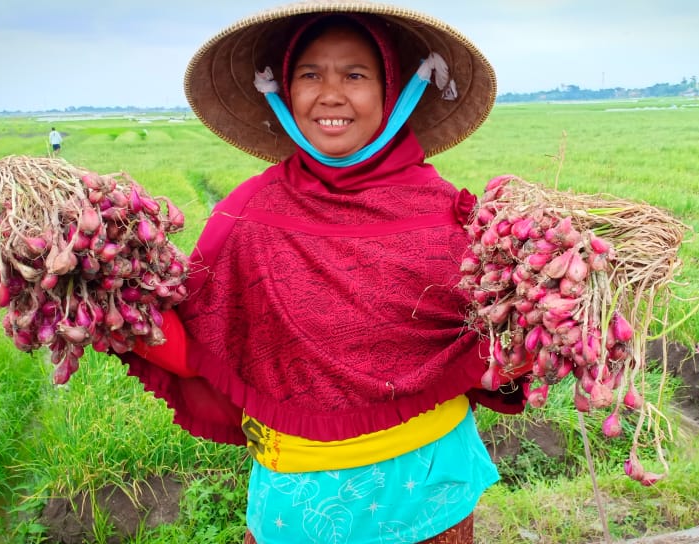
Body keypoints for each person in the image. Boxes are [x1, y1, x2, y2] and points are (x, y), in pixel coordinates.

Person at [117, 2, 529, 542]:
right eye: (310, 75)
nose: (330, 94)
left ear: (393, 92)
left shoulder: (446, 212)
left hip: (429, 490)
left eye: (355, 75)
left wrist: (527, 340)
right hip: (300, 499)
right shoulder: (248, 215)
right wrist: (107, 292)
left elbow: (487, 346)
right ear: (284, 93)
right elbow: (196, 339)